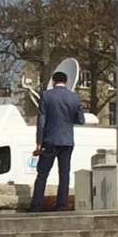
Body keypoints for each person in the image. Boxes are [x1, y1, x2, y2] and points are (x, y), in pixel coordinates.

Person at [29, 71, 86, 212]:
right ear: (66, 82)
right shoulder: (74, 98)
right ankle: (61, 205)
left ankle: (36, 205)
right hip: (67, 141)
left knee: (42, 174)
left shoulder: (46, 96)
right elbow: (81, 120)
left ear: (53, 81)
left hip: (49, 140)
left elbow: (41, 120)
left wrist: (39, 141)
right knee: (64, 174)